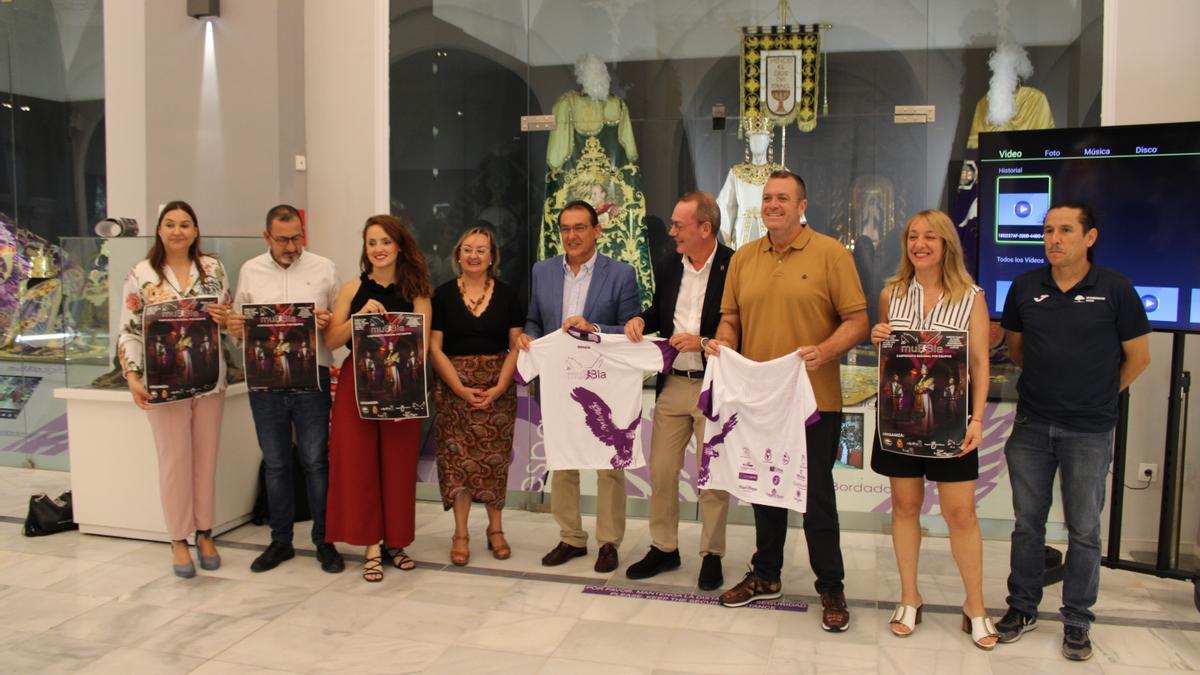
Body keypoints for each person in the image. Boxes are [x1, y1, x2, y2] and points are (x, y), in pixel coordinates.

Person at [704, 170, 868, 631]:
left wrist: (827, 350)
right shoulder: (744, 259)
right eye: (768, 198)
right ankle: (766, 574)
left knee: (816, 498)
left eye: (783, 198)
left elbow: (857, 320)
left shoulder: (832, 254)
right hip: (758, 399)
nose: (773, 204)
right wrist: (724, 345)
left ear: (802, 206)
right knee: (764, 491)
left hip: (814, 399)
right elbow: (731, 318)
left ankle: (831, 585)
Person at [996, 201, 1150, 661]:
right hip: (1031, 426)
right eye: (1047, 231)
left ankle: (1077, 620)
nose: (1054, 239)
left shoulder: (1116, 290)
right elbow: (1017, 350)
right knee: (1027, 526)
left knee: (1084, 530)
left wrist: (1099, 396)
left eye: (1065, 230)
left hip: (1088, 431)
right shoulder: (1025, 287)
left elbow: (1138, 358)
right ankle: (1021, 607)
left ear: (1090, 237)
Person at [868, 209, 996, 649]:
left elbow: (980, 363)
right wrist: (878, 334)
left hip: (952, 419)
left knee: (961, 513)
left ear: (946, 245)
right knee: (904, 507)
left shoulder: (971, 295)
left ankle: (975, 606)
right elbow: (887, 353)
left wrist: (978, 419)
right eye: (913, 237)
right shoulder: (892, 293)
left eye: (930, 237)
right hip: (900, 417)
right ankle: (910, 597)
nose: (920, 244)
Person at [517, 199, 640, 573]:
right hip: (557, 383)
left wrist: (596, 329)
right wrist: (528, 337)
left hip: (604, 385)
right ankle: (571, 537)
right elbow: (534, 319)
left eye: (579, 228)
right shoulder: (543, 271)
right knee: (563, 458)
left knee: (608, 464)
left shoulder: (620, 273)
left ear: (596, 230)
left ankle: (608, 542)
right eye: (565, 229)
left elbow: (632, 328)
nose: (571, 236)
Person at [622, 192, 734, 590]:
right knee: (663, 470)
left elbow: (740, 325)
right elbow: (659, 312)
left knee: (712, 476)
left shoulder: (733, 265)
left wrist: (702, 340)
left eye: (678, 225)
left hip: (713, 387)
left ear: (705, 228)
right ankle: (664, 547)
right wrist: (639, 319)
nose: (671, 232)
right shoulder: (670, 264)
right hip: (672, 385)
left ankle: (712, 554)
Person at [226, 204, 344, 574]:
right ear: (267, 238)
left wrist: (327, 323)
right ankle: (280, 541)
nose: (291, 246)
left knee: (315, 462)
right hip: (266, 381)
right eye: (282, 240)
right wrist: (233, 327)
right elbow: (237, 326)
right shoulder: (250, 270)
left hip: (313, 378)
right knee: (276, 463)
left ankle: (325, 540)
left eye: (296, 238)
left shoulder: (324, 267)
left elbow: (338, 329)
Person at [117, 200, 231, 578]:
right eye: (170, 224)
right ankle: (178, 539)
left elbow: (230, 321)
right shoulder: (142, 273)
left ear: (196, 231)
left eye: (185, 224)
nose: (178, 231)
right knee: (174, 461)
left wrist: (225, 318)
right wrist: (133, 377)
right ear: (160, 230)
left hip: (209, 380)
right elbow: (129, 329)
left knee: (206, 459)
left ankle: (205, 532)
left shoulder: (213, 269)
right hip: (164, 383)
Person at [323, 215, 432, 582]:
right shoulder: (352, 288)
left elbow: (420, 347)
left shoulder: (417, 290)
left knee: (398, 468)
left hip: (402, 385)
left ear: (399, 246)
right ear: (365, 249)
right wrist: (357, 319)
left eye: (385, 241)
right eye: (372, 242)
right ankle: (371, 543)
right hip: (358, 387)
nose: (379, 249)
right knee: (360, 466)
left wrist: (409, 397)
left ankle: (396, 542)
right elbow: (331, 341)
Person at [429, 226, 525, 566]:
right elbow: (434, 347)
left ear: (491, 257)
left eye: (481, 250)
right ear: (458, 254)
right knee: (457, 463)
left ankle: (495, 529)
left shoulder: (510, 295)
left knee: (493, 462)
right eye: (468, 249)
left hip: (498, 387)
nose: (473, 255)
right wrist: (457, 387)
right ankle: (460, 533)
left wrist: (500, 385)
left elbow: (516, 344)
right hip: (454, 390)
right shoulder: (440, 296)